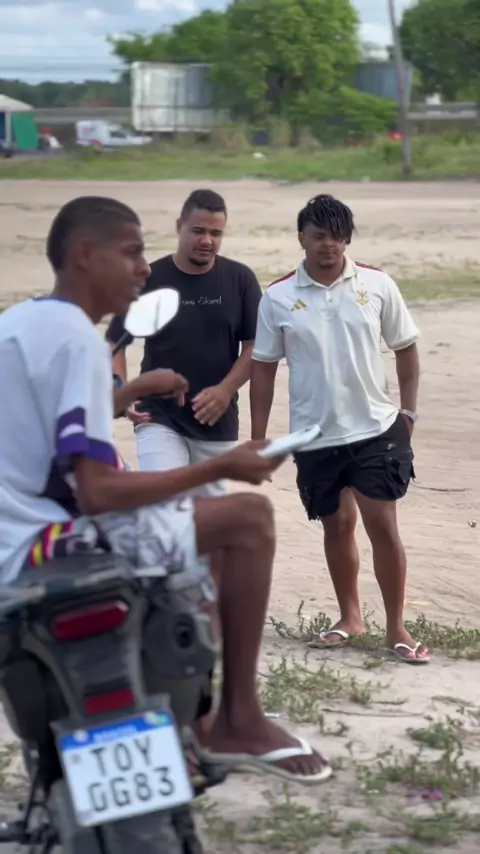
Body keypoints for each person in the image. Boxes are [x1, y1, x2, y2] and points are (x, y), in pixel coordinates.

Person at [0, 195, 331, 783]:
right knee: (247, 520)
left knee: (194, 542)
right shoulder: (78, 339)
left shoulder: (22, 323)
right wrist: (220, 469)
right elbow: (98, 493)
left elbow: (46, 426)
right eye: (131, 253)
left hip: (12, 533)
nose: (142, 268)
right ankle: (236, 718)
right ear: (85, 255)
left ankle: (185, 710)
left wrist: (128, 392)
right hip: (51, 541)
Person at [250, 194, 428, 665]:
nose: (328, 245)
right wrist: (259, 437)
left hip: (376, 427)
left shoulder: (377, 284)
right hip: (314, 434)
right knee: (337, 525)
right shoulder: (278, 297)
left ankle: (396, 627)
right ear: (302, 239)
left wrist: (409, 413)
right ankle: (350, 617)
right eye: (319, 236)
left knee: (382, 525)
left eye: (337, 236)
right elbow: (263, 368)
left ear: (347, 239)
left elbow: (406, 348)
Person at [106, 188, 262, 498]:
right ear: (180, 227)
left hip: (216, 421)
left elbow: (256, 347)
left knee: (206, 521)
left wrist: (225, 390)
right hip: (158, 416)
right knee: (161, 506)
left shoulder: (240, 280)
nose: (207, 240)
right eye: (198, 231)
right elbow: (115, 343)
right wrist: (121, 390)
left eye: (216, 233)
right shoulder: (149, 279)